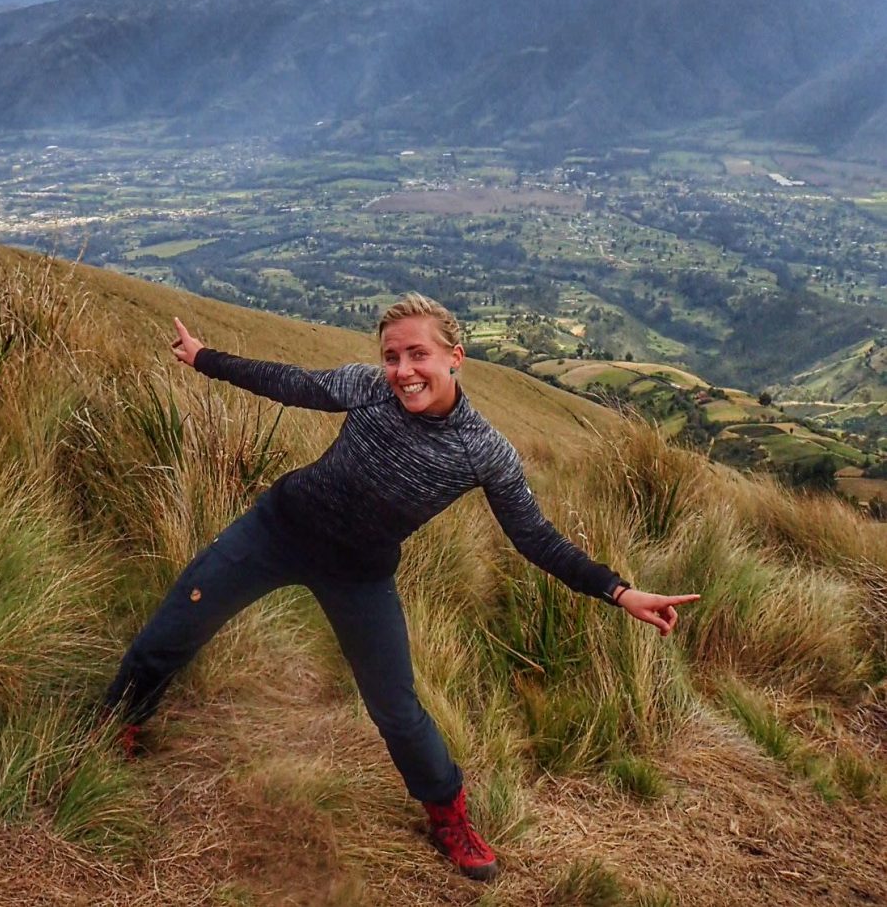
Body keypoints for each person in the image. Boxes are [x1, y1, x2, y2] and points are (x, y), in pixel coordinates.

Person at [104, 293, 699, 881]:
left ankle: (449, 817)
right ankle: (118, 721)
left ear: (455, 357)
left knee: (396, 707)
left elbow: (536, 538)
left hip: (358, 573)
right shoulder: (368, 387)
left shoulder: (484, 452)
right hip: (277, 530)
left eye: (417, 355)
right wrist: (203, 357)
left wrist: (618, 591)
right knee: (180, 620)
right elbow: (290, 383)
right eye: (392, 357)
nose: (403, 371)